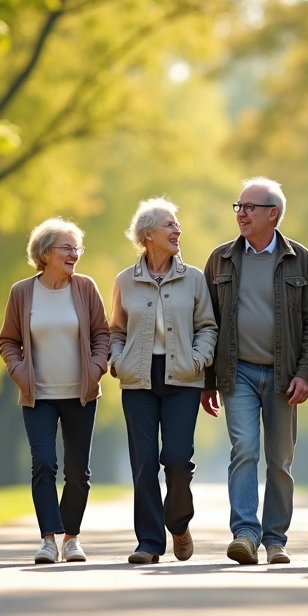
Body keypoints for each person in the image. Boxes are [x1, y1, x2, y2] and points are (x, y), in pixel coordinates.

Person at [202, 177, 308, 565]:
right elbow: (207, 322)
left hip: (285, 378)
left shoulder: (299, 259)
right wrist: (208, 381)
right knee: (244, 451)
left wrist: (306, 373)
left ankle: (275, 539)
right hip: (236, 373)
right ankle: (244, 534)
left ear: (273, 213)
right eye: (238, 207)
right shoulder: (220, 259)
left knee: (279, 460)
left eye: (249, 207)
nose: (241, 213)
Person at [109, 197, 218, 564]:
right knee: (144, 463)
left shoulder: (194, 278)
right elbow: (115, 331)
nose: (177, 230)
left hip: (183, 378)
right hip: (137, 378)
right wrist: (117, 360)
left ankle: (179, 524)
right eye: (169, 225)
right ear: (147, 235)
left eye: (177, 225)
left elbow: (207, 326)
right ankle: (149, 543)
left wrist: (199, 359)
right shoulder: (125, 280)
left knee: (176, 459)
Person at [0, 218, 110, 565]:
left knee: (78, 472)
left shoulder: (86, 288)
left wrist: (95, 370)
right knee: (43, 464)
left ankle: (72, 539)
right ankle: (48, 540)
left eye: (77, 248)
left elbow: (102, 335)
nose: (74, 254)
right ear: (45, 253)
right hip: (38, 397)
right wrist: (18, 371)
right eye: (67, 248)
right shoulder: (22, 292)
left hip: (80, 394)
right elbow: (8, 341)